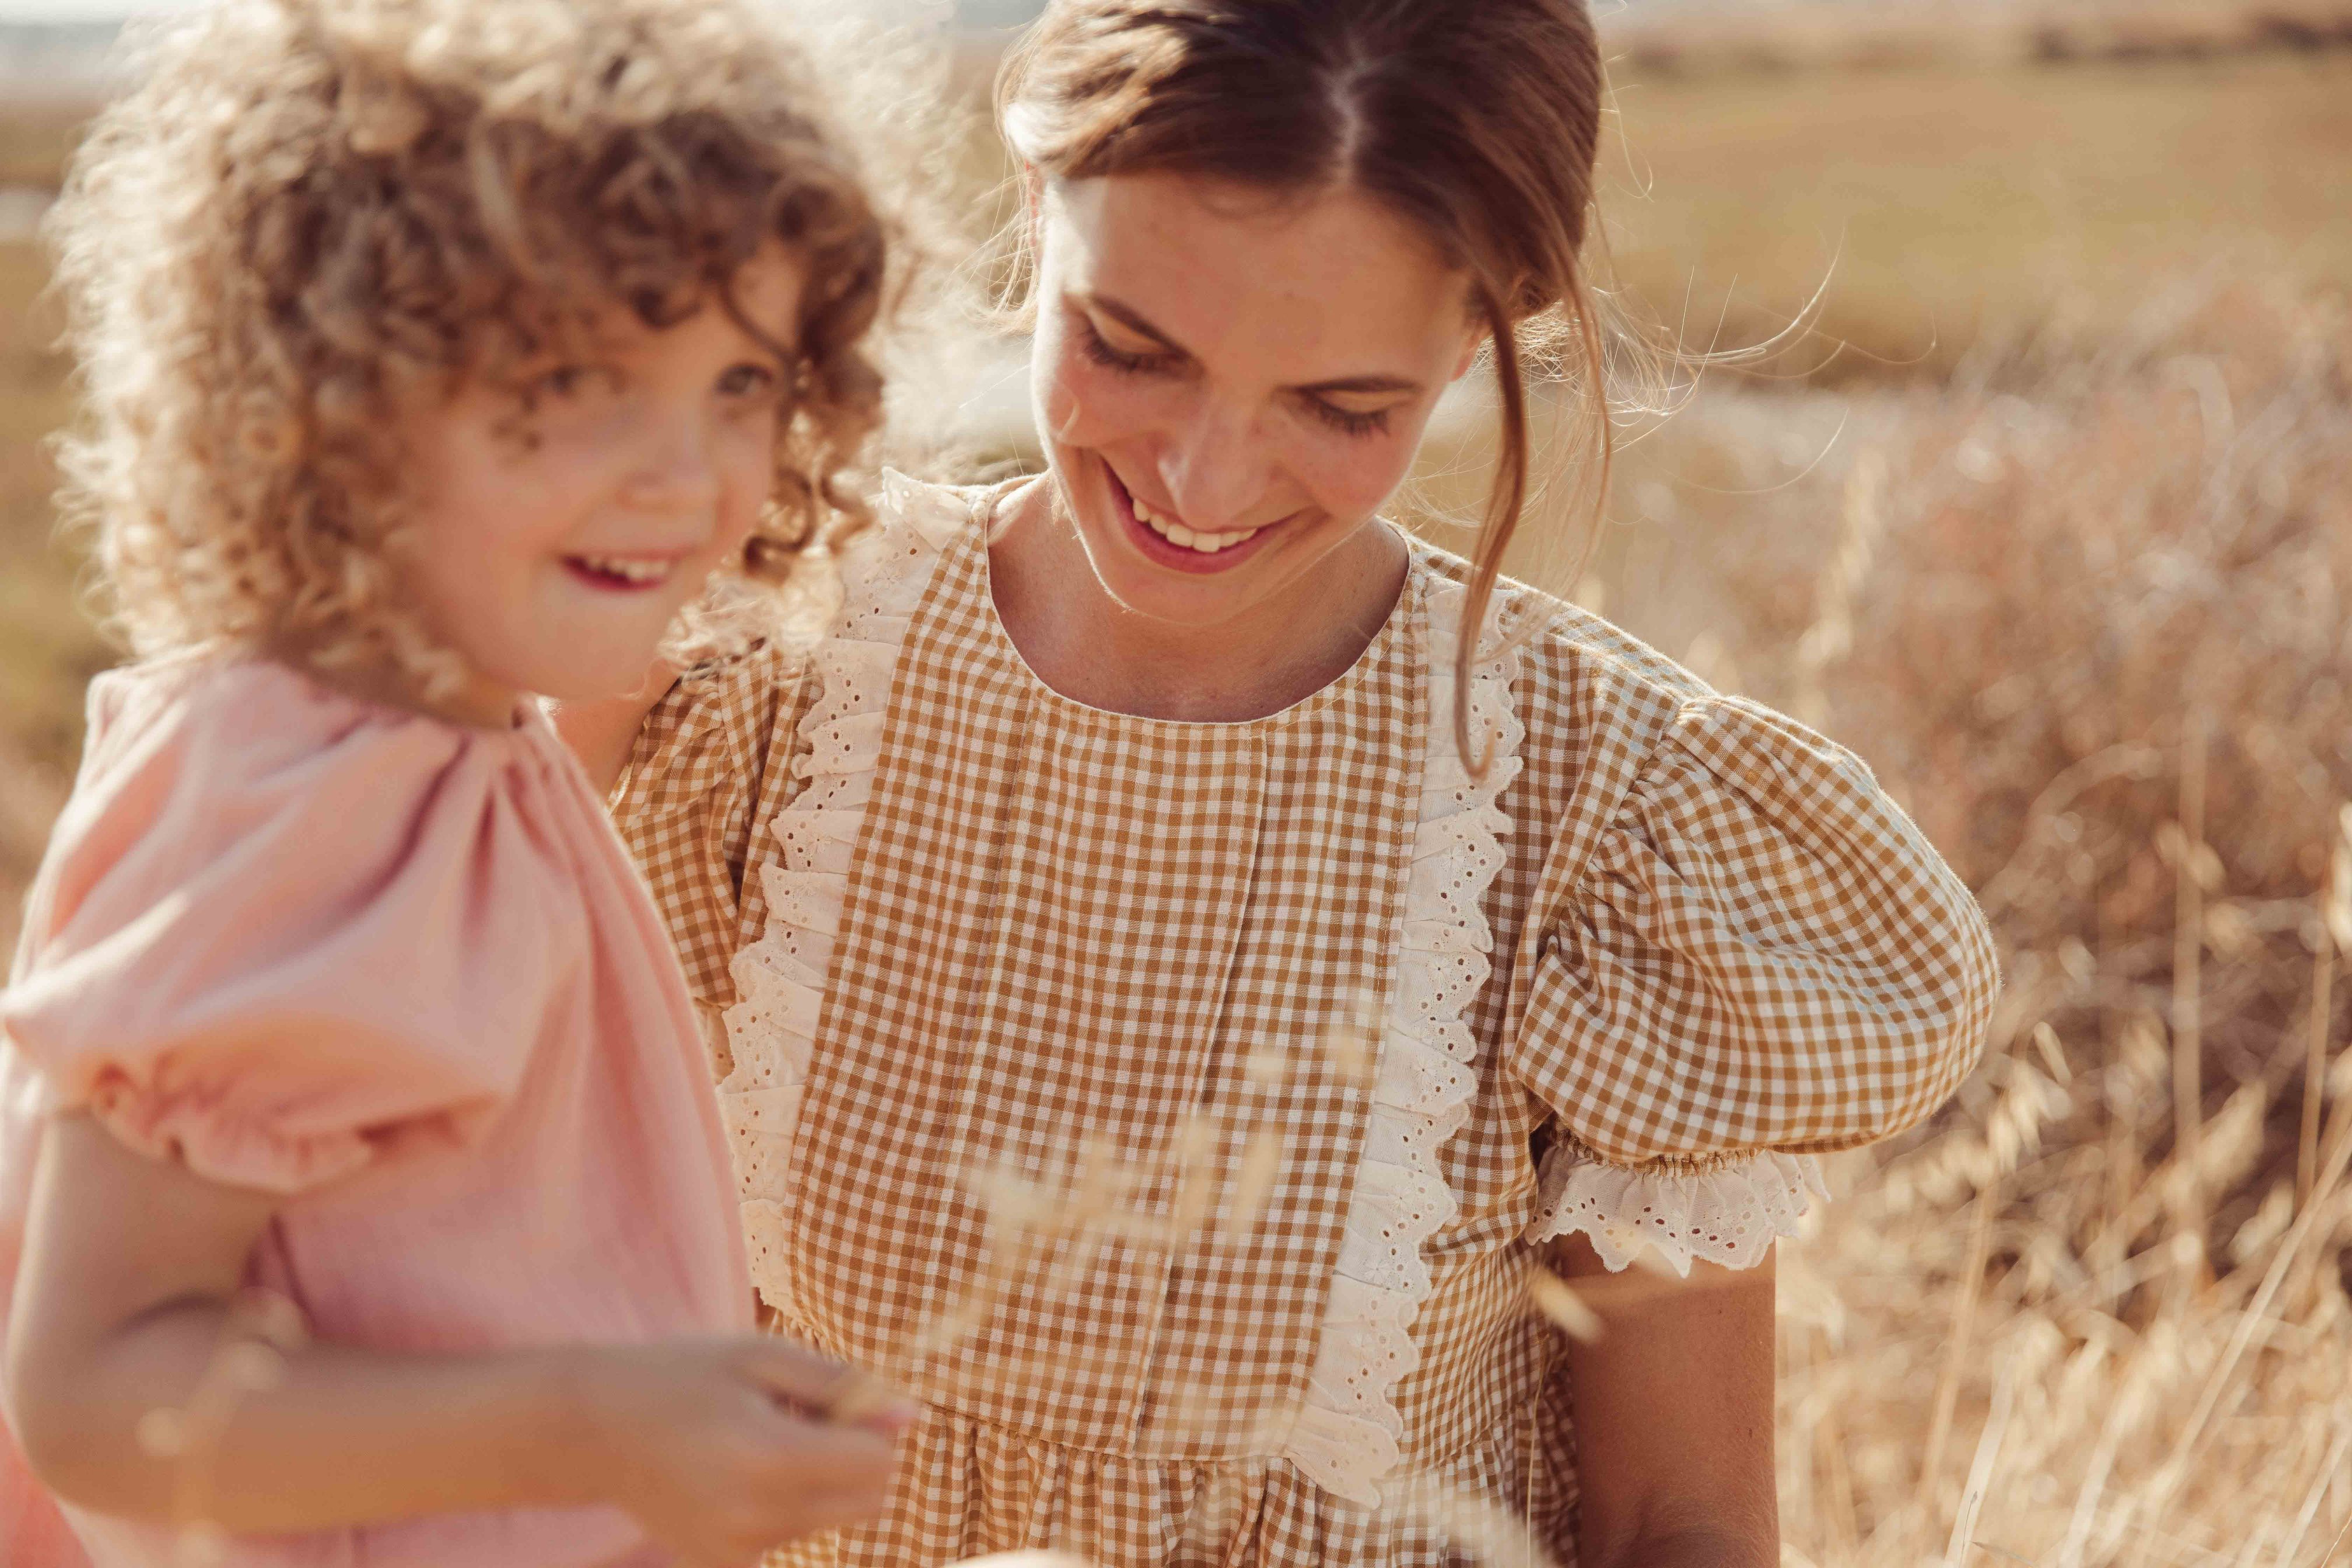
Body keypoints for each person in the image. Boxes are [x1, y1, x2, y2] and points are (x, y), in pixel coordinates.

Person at [559, 1, 2004, 1563]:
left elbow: (1684, 1528)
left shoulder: (1603, 821)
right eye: (1129, 346)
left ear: (1481, 334)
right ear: (1037, 210)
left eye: (1342, 407)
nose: (1204, 480)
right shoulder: (751, 660)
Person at [0, 1, 916, 1563]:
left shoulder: (458, 744)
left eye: (740, 385)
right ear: (335, 387)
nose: (686, 474)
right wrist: (599, 1425)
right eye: (580, 378)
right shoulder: (298, 812)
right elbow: (94, 1395)